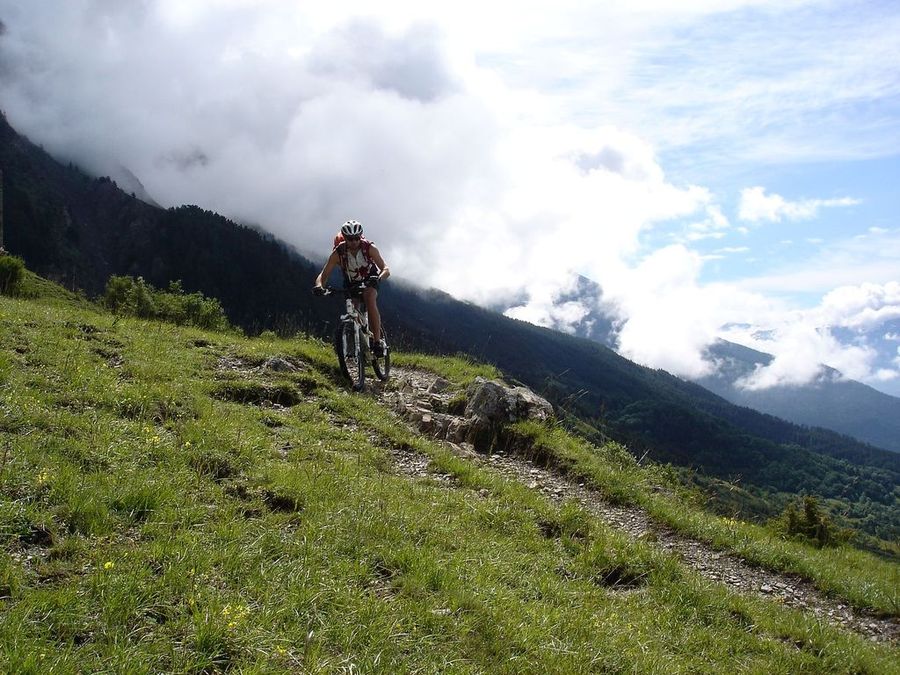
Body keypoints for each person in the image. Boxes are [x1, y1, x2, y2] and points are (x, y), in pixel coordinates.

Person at [313, 220, 391, 355]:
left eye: (357, 238)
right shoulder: (338, 252)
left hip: (370, 279)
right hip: (351, 282)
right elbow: (324, 274)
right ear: (344, 238)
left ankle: (377, 342)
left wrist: (379, 277)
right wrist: (319, 286)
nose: (354, 241)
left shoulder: (369, 248)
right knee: (353, 310)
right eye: (350, 239)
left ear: (361, 236)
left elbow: (386, 269)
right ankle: (359, 342)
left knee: (369, 298)